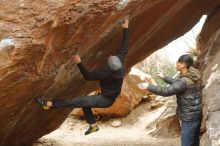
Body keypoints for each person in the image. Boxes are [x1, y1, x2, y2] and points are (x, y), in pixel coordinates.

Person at [35, 18, 129, 135]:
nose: (110, 55)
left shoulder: (106, 74)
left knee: (78, 101)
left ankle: (49, 104)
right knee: (85, 103)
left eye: (109, 58)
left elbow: (88, 76)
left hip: (104, 100)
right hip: (108, 98)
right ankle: (93, 125)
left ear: (109, 66)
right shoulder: (119, 63)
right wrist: (126, 28)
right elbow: (125, 46)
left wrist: (79, 62)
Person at [138, 54, 202, 146]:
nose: (176, 64)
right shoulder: (192, 76)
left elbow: (166, 91)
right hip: (195, 114)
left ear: (183, 64)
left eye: (178, 63)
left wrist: (148, 86)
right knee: (194, 143)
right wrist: (164, 77)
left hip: (189, 118)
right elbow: (177, 83)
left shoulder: (184, 81)